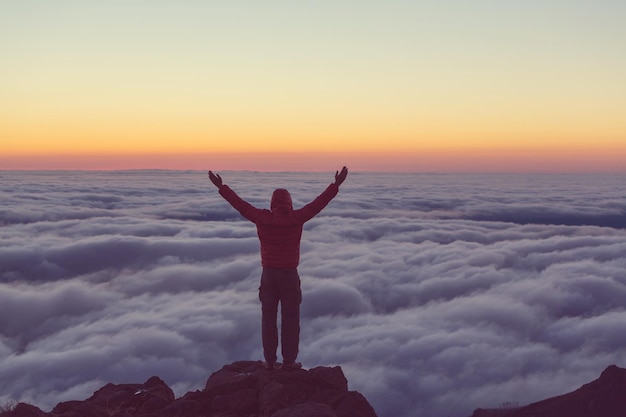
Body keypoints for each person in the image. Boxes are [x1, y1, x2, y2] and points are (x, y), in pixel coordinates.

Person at [208, 167, 348, 370]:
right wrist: (336, 185)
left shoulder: (261, 217)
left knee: (268, 319)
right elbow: (318, 204)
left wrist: (221, 187)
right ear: (289, 203)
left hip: (268, 276)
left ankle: (270, 362)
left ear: (272, 203)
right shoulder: (297, 218)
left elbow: (240, 205)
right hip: (289, 275)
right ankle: (289, 362)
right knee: (291, 320)